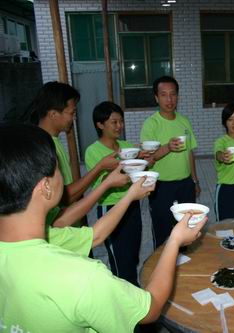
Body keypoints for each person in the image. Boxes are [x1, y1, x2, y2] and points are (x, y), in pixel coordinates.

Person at [0, 123, 206, 332]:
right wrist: (175, 240)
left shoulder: (45, 238)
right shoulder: (83, 276)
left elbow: (95, 235)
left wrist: (128, 194)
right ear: (45, 186)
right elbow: (151, 308)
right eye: (57, 168)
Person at [85, 102, 154, 285]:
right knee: (119, 258)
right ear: (100, 125)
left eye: (121, 122)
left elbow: (136, 173)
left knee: (132, 253)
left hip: (132, 205)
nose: (119, 126)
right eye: (114, 122)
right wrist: (126, 166)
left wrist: (145, 161)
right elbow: (100, 184)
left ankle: (133, 287)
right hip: (110, 207)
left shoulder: (126, 146)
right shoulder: (93, 151)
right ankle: (122, 293)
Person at [30, 82, 119, 216]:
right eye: (72, 113)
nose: (74, 118)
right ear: (53, 114)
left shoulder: (53, 140)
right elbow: (64, 197)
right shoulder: (42, 146)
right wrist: (100, 167)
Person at [140, 76, 200, 248]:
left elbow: (190, 153)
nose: (169, 99)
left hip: (185, 185)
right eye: (164, 95)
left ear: (178, 96)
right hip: (161, 187)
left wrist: (194, 180)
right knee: (163, 231)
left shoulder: (184, 121)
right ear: (156, 98)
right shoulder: (151, 124)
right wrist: (168, 147)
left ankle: (185, 266)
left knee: (187, 228)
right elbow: (147, 159)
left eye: (173, 94)